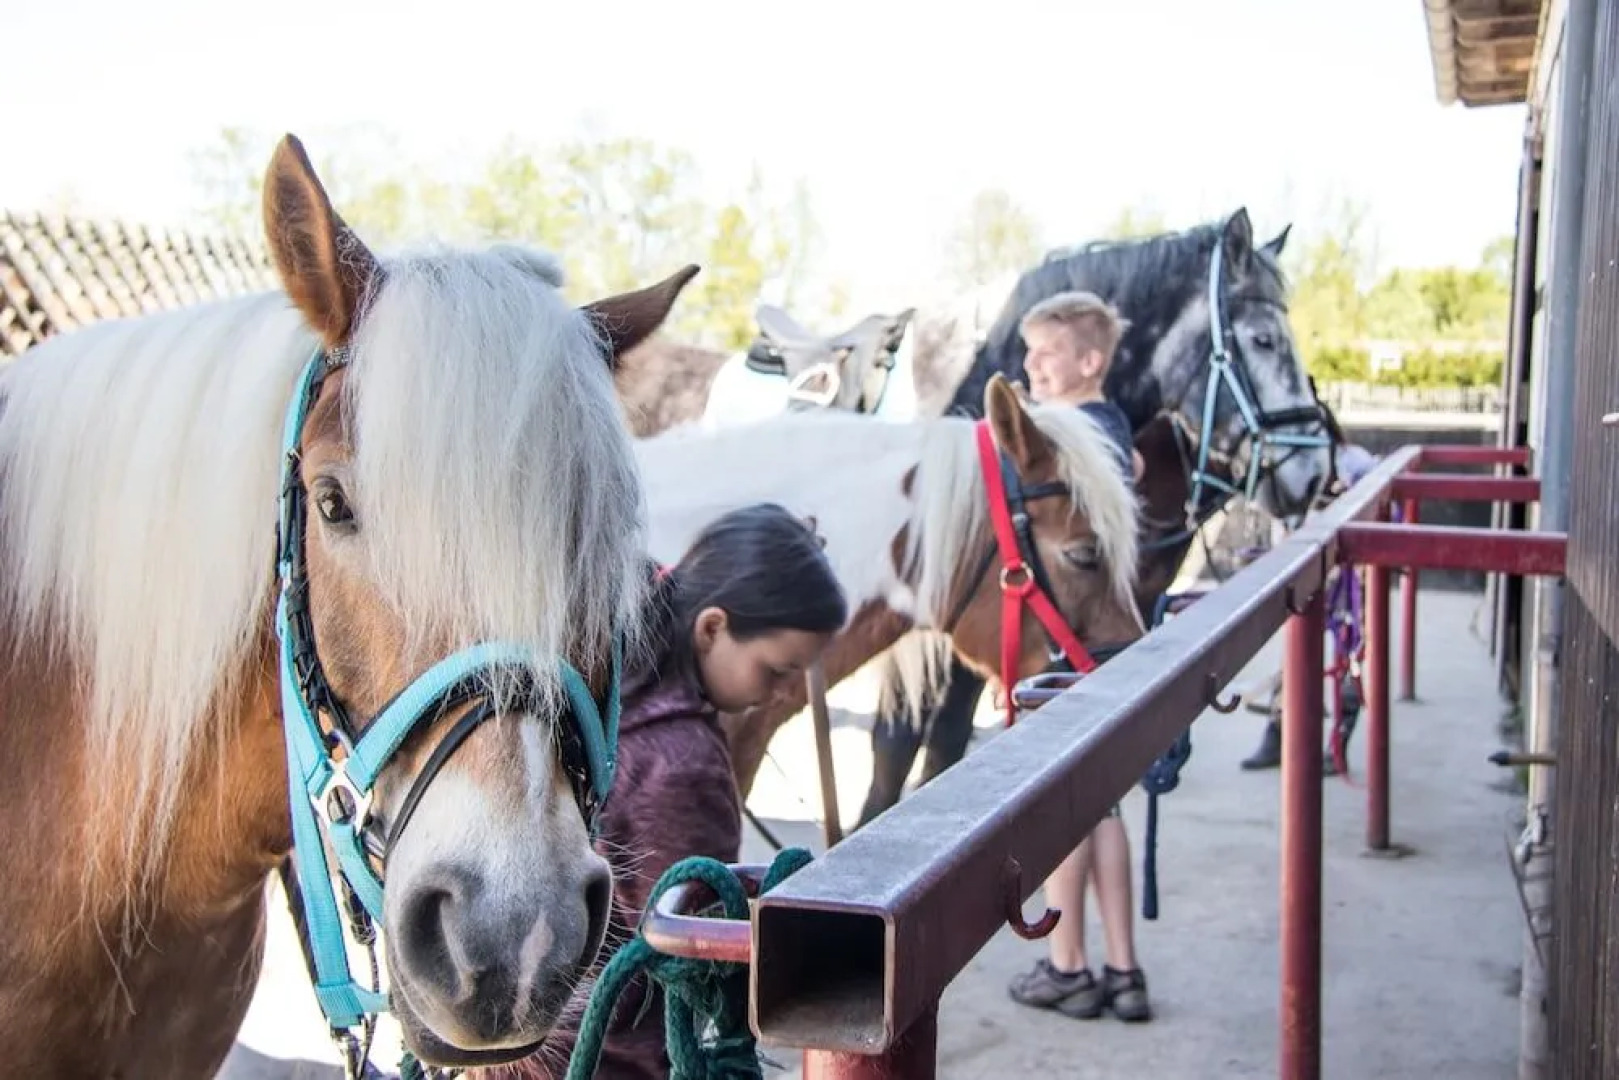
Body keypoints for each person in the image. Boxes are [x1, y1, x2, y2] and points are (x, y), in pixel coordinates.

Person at [490, 503, 849, 1080]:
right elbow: (683, 968)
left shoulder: (600, 689)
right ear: (712, 628)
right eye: (777, 670)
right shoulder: (686, 766)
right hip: (611, 1061)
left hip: (516, 1043)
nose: (784, 693)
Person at [1004, 291, 1151, 1023]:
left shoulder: (1066, 436)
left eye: (1046, 353)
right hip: (1112, 643)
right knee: (1104, 807)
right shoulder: (1115, 427)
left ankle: (1067, 965)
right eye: (1027, 351)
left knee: (1064, 807)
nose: (1030, 365)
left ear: (1089, 361)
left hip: (1071, 641)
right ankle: (1123, 968)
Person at [1239, 433, 1381, 772]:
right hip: (1305, 573)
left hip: (1346, 576)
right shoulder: (1289, 464)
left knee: (1348, 657)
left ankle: (1338, 745)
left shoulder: (1353, 461)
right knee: (1295, 656)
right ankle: (1279, 734)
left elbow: (1378, 500)